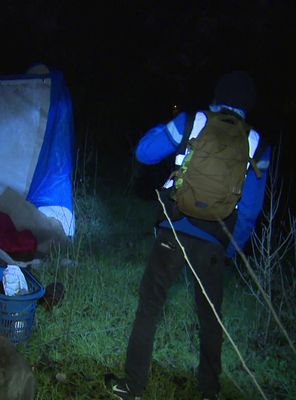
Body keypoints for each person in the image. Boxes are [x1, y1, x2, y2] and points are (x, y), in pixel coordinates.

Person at [106, 71, 271, 400]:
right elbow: (251, 209)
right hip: (216, 236)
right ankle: (209, 392)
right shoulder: (258, 143)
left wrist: (172, 127)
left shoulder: (192, 120)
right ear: (248, 105)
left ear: (218, 95)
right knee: (210, 317)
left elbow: (144, 152)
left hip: (174, 227)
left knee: (149, 307)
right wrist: (228, 250)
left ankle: (132, 387)